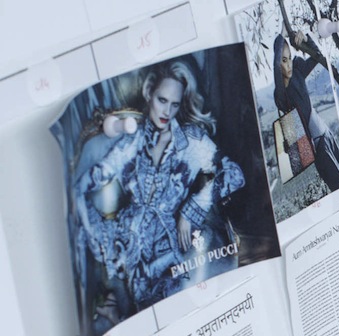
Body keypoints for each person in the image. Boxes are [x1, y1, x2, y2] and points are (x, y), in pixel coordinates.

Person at [75, 60, 246, 313]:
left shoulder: (191, 141)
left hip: (172, 247)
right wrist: (85, 209)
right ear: (149, 93)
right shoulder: (132, 142)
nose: (167, 111)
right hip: (131, 244)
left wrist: (191, 210)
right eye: (162, 100)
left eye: (174, 104)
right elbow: (91, 180)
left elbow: (235, 174)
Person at [273, 32, 339, 190]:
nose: (289, 65)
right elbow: (276, 67)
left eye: (289, 58)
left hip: (326, 134)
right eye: (284, 60)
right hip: (316, 146)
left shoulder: (297, 73)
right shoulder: (280, 94)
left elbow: (317, 55)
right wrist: (282, 34)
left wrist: (305, 39)